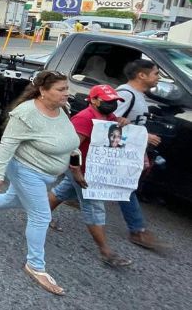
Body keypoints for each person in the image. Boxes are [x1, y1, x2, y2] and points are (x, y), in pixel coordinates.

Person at [0, 71, 80, 296]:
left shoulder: (62, 109)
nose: (67, 93)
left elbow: (70, 141)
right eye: (61, 89)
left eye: (67, 88)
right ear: (43, 91)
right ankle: (35, 266)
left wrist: (75, 167)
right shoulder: (26, 113)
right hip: (26, 170)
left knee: (14, 199)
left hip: (46, 173)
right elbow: (7, 144)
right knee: (41, 215)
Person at [47, 84, 132, 267]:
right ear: (93, 100)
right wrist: (76, 171)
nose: (112, 104)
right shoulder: (84, 118)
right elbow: (71, 147)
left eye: (114, 101)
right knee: (94, 207)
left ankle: (40, 217)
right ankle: (106, 252)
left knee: (63, 192)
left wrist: (124, 123)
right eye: (107, 101)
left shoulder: (109, 117)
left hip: (92, 169)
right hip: (82, 170)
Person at [113, 59, 164, 250]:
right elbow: (110, 121)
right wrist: (145, 136)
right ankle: (137, 230)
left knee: (78, 182)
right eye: (156, 73)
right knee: (126, 187)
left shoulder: (138, 95)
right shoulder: (125, 94)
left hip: (127, 150)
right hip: (116, 151)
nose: (158, 77)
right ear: (141, 75)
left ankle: (47, 209)